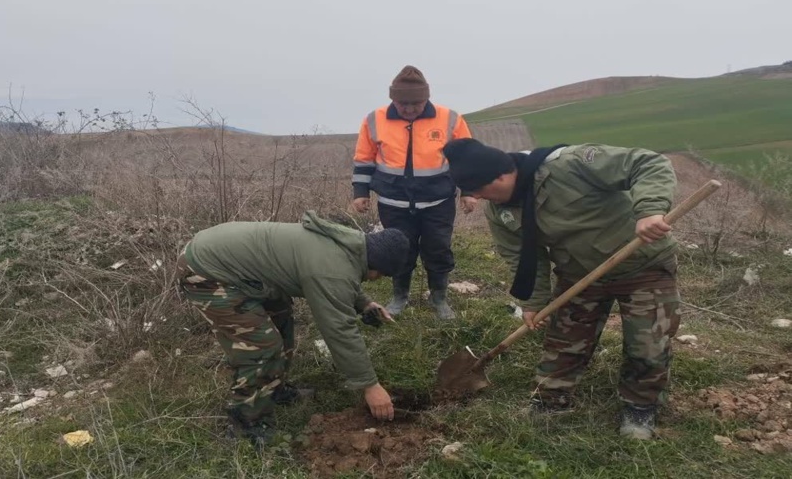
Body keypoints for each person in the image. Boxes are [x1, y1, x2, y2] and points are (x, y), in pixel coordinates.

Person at [442, 138, 681, 440]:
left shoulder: (572, 164)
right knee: (563, 341)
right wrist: (534, 302)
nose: (477, 197)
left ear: (501, 174)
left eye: (479, 189)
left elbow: (648, 162)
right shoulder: (499, 211)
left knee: (647, 344)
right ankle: (551, 399)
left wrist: (650, 210)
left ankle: (640, 405)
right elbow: (523, 257)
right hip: (579, 274)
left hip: (642, 265)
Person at [175, 210, 410, 449]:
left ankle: (272, 387)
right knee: (260, 345)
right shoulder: (330, 267)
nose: (376, 279)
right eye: (380, 275)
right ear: (376, 264)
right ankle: (246, 422)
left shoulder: (351, 244)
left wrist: (364, 303)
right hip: (207, 270)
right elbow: (339, 330)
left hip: (235, 263)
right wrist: (370, 385)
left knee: (281, 318)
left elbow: (342, 278)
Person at [351, 65, 477, 320]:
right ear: (392, 99)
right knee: (400, 250)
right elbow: (364, 159)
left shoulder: (450, 118)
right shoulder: (374, 120)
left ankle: (439, 298)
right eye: (402, 103)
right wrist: (360, 191)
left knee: (438, 249)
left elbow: (467, 158)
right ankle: (399, 297)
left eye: (415, 104)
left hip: (438, 202)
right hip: (393, 202)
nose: (408, 109)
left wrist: (469, 191)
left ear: (426, 98)